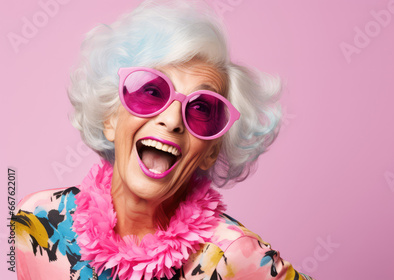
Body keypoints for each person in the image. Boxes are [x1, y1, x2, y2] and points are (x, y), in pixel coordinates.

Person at [13, 1, 314, 279]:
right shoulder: (39, 222)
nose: (172, 120)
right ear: (110, 118)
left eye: (200, 108)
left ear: (211, 151)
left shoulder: (235, 257)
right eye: (152, 92)